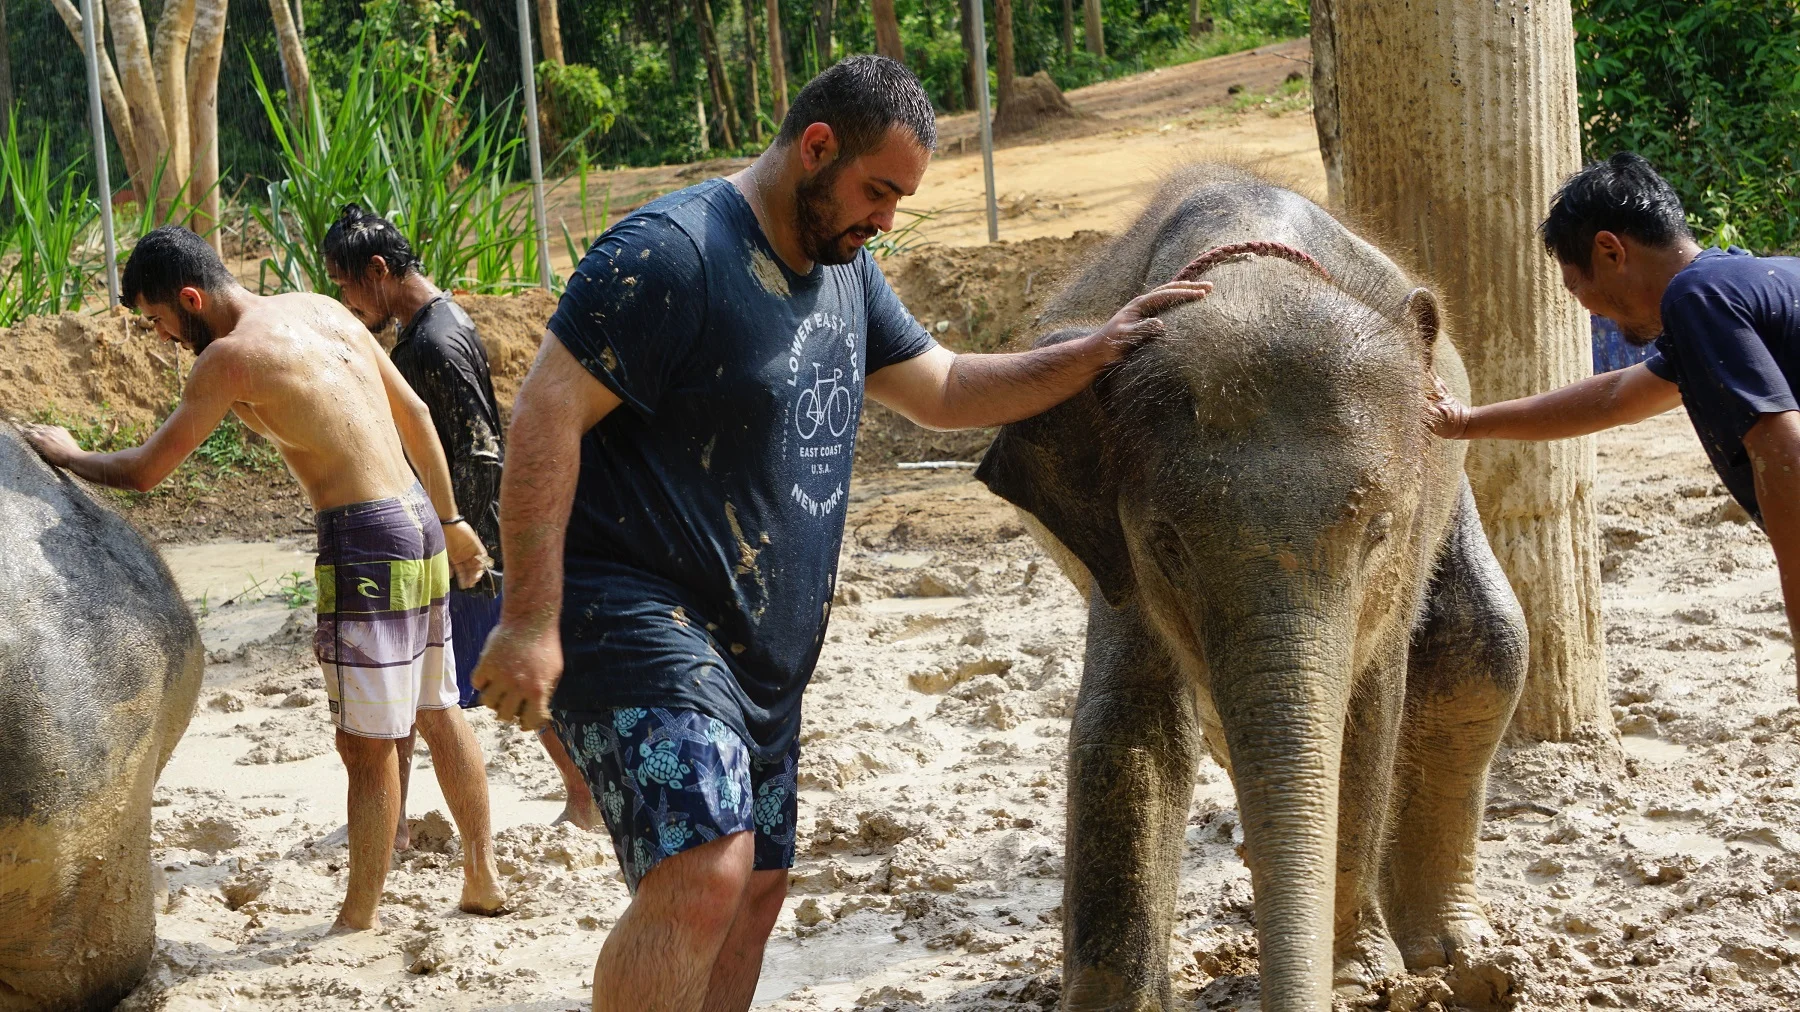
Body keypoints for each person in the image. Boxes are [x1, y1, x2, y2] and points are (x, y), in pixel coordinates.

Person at [469, 55, 1211, 1012]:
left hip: (763, 654)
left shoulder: (846, 273)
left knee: (757, 891)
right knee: (706, 867)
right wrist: (530, 618)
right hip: (639, 610)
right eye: (877, 190)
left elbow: (942, 389)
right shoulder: (672, 253)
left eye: (900, 199)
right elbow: (542, 413)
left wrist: (1093, 349)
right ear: (816, 147)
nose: (886, 220)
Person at [20, 226, 507, 932]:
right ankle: (481, 874)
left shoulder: (227, 360)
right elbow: (419, 413)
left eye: (160, 321)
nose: (162, 338)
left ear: (192, 298)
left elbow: (145, 472)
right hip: (419, 517)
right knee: (438, 706)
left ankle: (359, 917)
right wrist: (453, 518)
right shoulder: (320, 306)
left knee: (365, 744)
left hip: (366, 539)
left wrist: (68, 452)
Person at [1428, 152, 1800, 699]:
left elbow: (1779, 444)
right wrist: (1467, 422)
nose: (1590, 311)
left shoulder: (1696, 298)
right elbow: (1616, 396)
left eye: (1579, 288)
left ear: (1610, 251)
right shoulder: (1752, 282)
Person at [321, 205, 601, 837]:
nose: (345, 298)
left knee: (479, 678)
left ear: (379, 269)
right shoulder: (433, 326)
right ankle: (388, 814)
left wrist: (461, 540)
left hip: (463, 539)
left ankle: (583, 794)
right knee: (427, 682)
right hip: (453, 531)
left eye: (346, 283)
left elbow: (478, 448)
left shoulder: (436, 341)